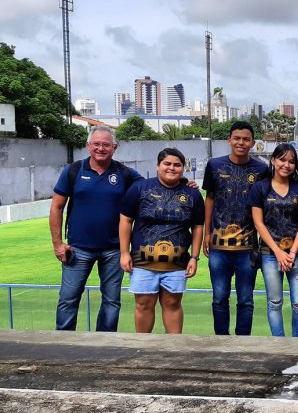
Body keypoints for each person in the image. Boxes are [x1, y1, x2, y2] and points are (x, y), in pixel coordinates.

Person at [50, 126, 142, 332]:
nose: (101, 148)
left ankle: (105, 344)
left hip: (114, 250)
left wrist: (182, 182)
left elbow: (153, 186)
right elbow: (56, 207)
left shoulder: (125, 173)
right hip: (77, 249)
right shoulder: (73, 171)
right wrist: (57, 244)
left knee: (111, 302)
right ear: (88, 145)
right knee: (68, 299)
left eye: (106, 144)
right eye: (97, 144)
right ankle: (63, 344)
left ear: (114, 147)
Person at [119, 148, 204, 334]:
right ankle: (143, 346)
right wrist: (124, 253)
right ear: (158, 165)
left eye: (177, 165)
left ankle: (174, 348)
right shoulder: (140, 188)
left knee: (172, 303)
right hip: (143, 261)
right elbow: (125, 220)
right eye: (167, 164)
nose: (171, 168)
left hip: (177, 262)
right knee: (143, 304)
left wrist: (194, 258)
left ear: (183, 168)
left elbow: (198, 226)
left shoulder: (192, 194)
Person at [202, 121, 269, 335]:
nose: (241, 142)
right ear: (229, 140)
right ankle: (221, 341)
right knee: (219, 297)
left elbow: (264, 205)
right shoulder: (214, 165)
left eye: (246, 139)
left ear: (252, 142)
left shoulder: (261, 169)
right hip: (219, 246)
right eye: (237, 138)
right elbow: (210, 199)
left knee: (246, 300)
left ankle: (243, 342)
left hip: (247, 248)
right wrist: (206, 233)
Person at [248, 143, 298, 337]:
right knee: (274, 303)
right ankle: (279, 344)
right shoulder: (260, 188)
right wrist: (278, 252)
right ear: (273, 160)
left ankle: (297, 344)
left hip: (296, 254)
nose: (287, 165)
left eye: (291, 161)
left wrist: (290, 253)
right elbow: (259, 223)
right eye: (282, 159)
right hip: (269, 254)